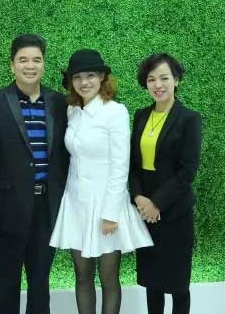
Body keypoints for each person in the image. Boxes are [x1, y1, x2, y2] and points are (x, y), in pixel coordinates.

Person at [50, 49, 153, 314]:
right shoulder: (72, 111)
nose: (84, 82)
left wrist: (110, 214)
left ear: (102, 78)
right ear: (71, 82)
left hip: (107, 205)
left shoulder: (115, 112)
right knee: (82, 277)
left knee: (109, 279)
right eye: (77, 77)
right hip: (75, 204)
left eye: (90, 76)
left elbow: (120, 166)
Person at [0, 33, 69, 314]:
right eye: (23, 60)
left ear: (44, 64)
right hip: (7, 208)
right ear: (12, 65)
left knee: (40, 281)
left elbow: (65, 157)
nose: (30, 66)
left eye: (36, 60)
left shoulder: (59, 103)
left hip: (47, 207)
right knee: (6, 281)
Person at [129, 53, 202, 314]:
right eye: (151, 79)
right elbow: (132, 164)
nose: (157, 85)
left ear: (176, 80)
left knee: (178, 284)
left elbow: (188, 170)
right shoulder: (140, 115)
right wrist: (138, 197)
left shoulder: (189, 118)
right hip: (145, 211)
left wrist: (157, 203)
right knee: (153, 283)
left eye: (164, 78)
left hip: (174, 211)